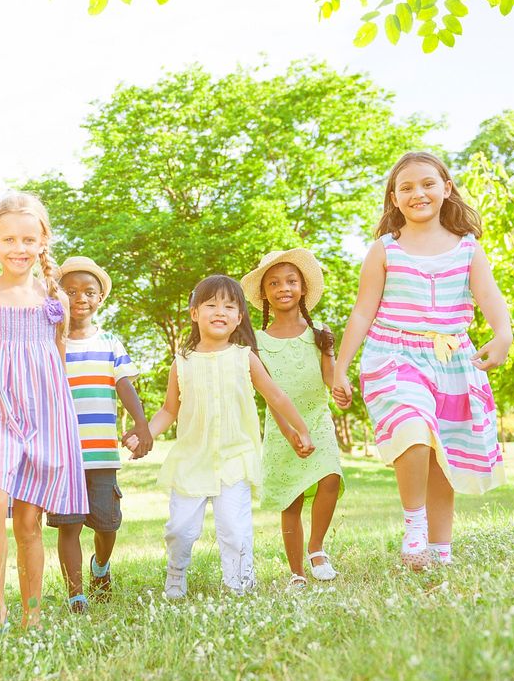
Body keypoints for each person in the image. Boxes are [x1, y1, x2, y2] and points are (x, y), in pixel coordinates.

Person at [332, 151, 511, 570]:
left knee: (441, 455)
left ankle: (440, 550)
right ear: (394, 198)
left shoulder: (468, 249)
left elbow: (489, 297)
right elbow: (362, 311)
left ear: (446, 189)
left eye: (428, 184)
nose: (418, 193)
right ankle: (415, 525)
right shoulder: (385, 251)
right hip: (394, 355)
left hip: (451, 360)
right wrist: (341, 366)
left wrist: (503, 333)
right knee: (412, 428)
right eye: (406, 187)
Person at [140, 275, 314, 598]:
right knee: (180, 529)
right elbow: (168, 410)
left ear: (239, 318)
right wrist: (144, 435)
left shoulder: (244, 357)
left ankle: (240, 583)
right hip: (192, 459)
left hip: (234, 457)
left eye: (229, 306)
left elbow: (275, 396)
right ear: (194, 313)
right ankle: (176, 574)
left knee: (235, 528)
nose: (220, 311)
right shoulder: (181, 363)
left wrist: (299, 428)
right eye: (211, 305)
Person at [0, 192, 88, 631]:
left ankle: (31, 613)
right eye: (9, 239)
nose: (19, 248)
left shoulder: (56, 300)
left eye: (28, 239)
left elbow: (56, 359)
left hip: (45, 415)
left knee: (30, 522)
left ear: (43, 243)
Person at [45, 256, 152, 613]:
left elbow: (124, 385)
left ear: (100, 298)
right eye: (70, 291)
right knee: (69, 526)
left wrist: (141, 424)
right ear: (56, 295)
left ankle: (100, 567)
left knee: (107, 525)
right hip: (64, 455)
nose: (80, 298)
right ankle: (76, 595)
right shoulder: (50, 343)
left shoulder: (110, 343)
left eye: (89, 292)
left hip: (102, 454)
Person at [242, 249, 345, 590]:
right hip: (281, 427)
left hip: (317, 418)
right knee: (292, 498)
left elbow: (329, 378)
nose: (282, 287)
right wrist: (288, 432)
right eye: (273, 283)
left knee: (330, 478)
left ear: (302, 288)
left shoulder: (319, 332)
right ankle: (297, 571)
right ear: (264, 294)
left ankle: (317, 548)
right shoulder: (257, 342)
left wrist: (339, 385)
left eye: (290, 281)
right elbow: (269, 395)